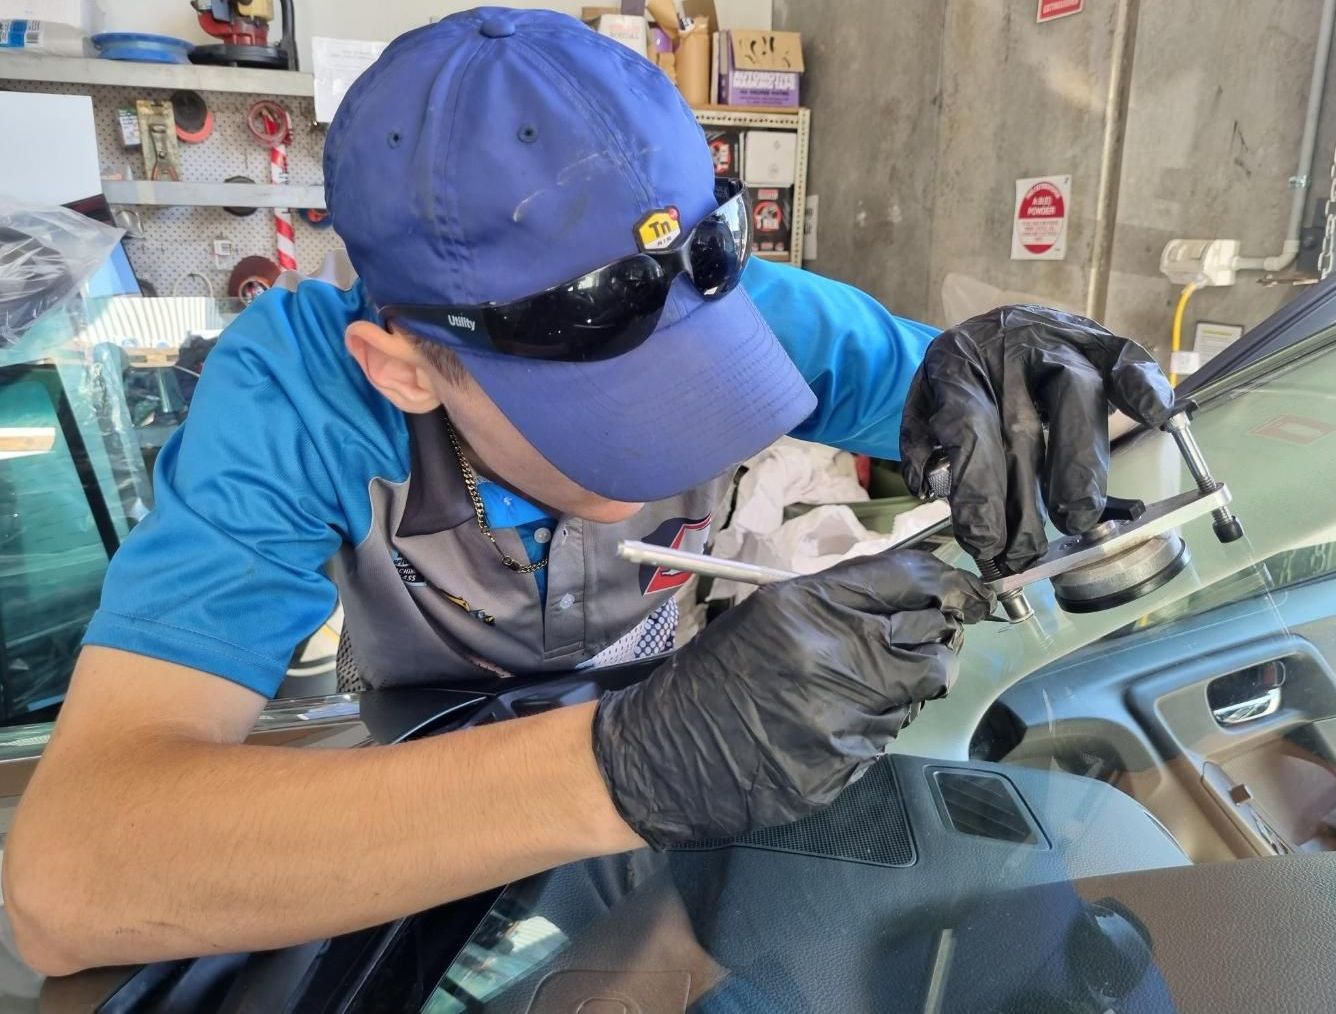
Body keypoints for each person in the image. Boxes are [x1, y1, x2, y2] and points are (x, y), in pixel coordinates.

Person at [3, 8, 1173, 975]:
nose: (681, 453)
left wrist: (1044, 381)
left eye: (705, 378)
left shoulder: (747, 302)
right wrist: (625, 765)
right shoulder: (296, 397)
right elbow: (72, 883)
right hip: (429, 786)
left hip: (691, 784)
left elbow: (1085, 431)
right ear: (405, 368)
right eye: (615, 420)